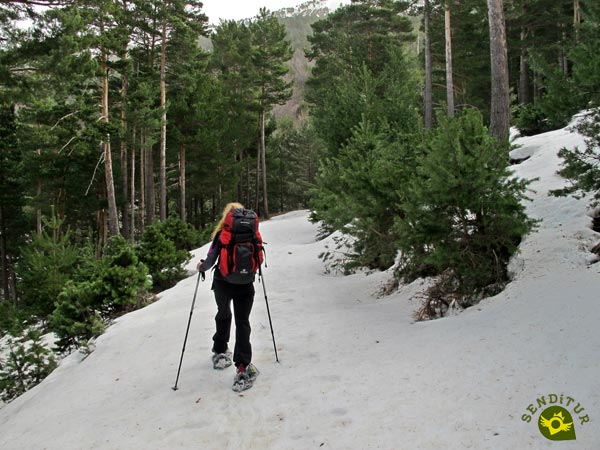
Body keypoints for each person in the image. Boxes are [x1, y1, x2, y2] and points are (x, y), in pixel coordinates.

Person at [197, 202, 260, 392]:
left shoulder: (222, 233)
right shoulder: (252, 233)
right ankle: (242, 367)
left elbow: (210, 259)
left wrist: (202, 266)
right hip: (245, 284)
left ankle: (220, 350)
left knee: (223, 314)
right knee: (243, 322)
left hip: (223, 283)